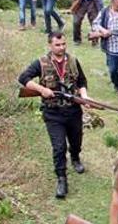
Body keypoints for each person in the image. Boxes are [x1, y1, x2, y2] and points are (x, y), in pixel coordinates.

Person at [18, 32, 90, 199]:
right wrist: (42, 90)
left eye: (64, 44)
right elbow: (23, 78)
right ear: (50, 45)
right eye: (58, 45)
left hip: (73, 110)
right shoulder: (41, 63)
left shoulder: (72, 61)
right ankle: (61, 178)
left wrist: (84, 97)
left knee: (76, 140)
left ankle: (75, 158)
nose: (62, 47)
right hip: (53, 113)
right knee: (59, 147)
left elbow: (81, 82)